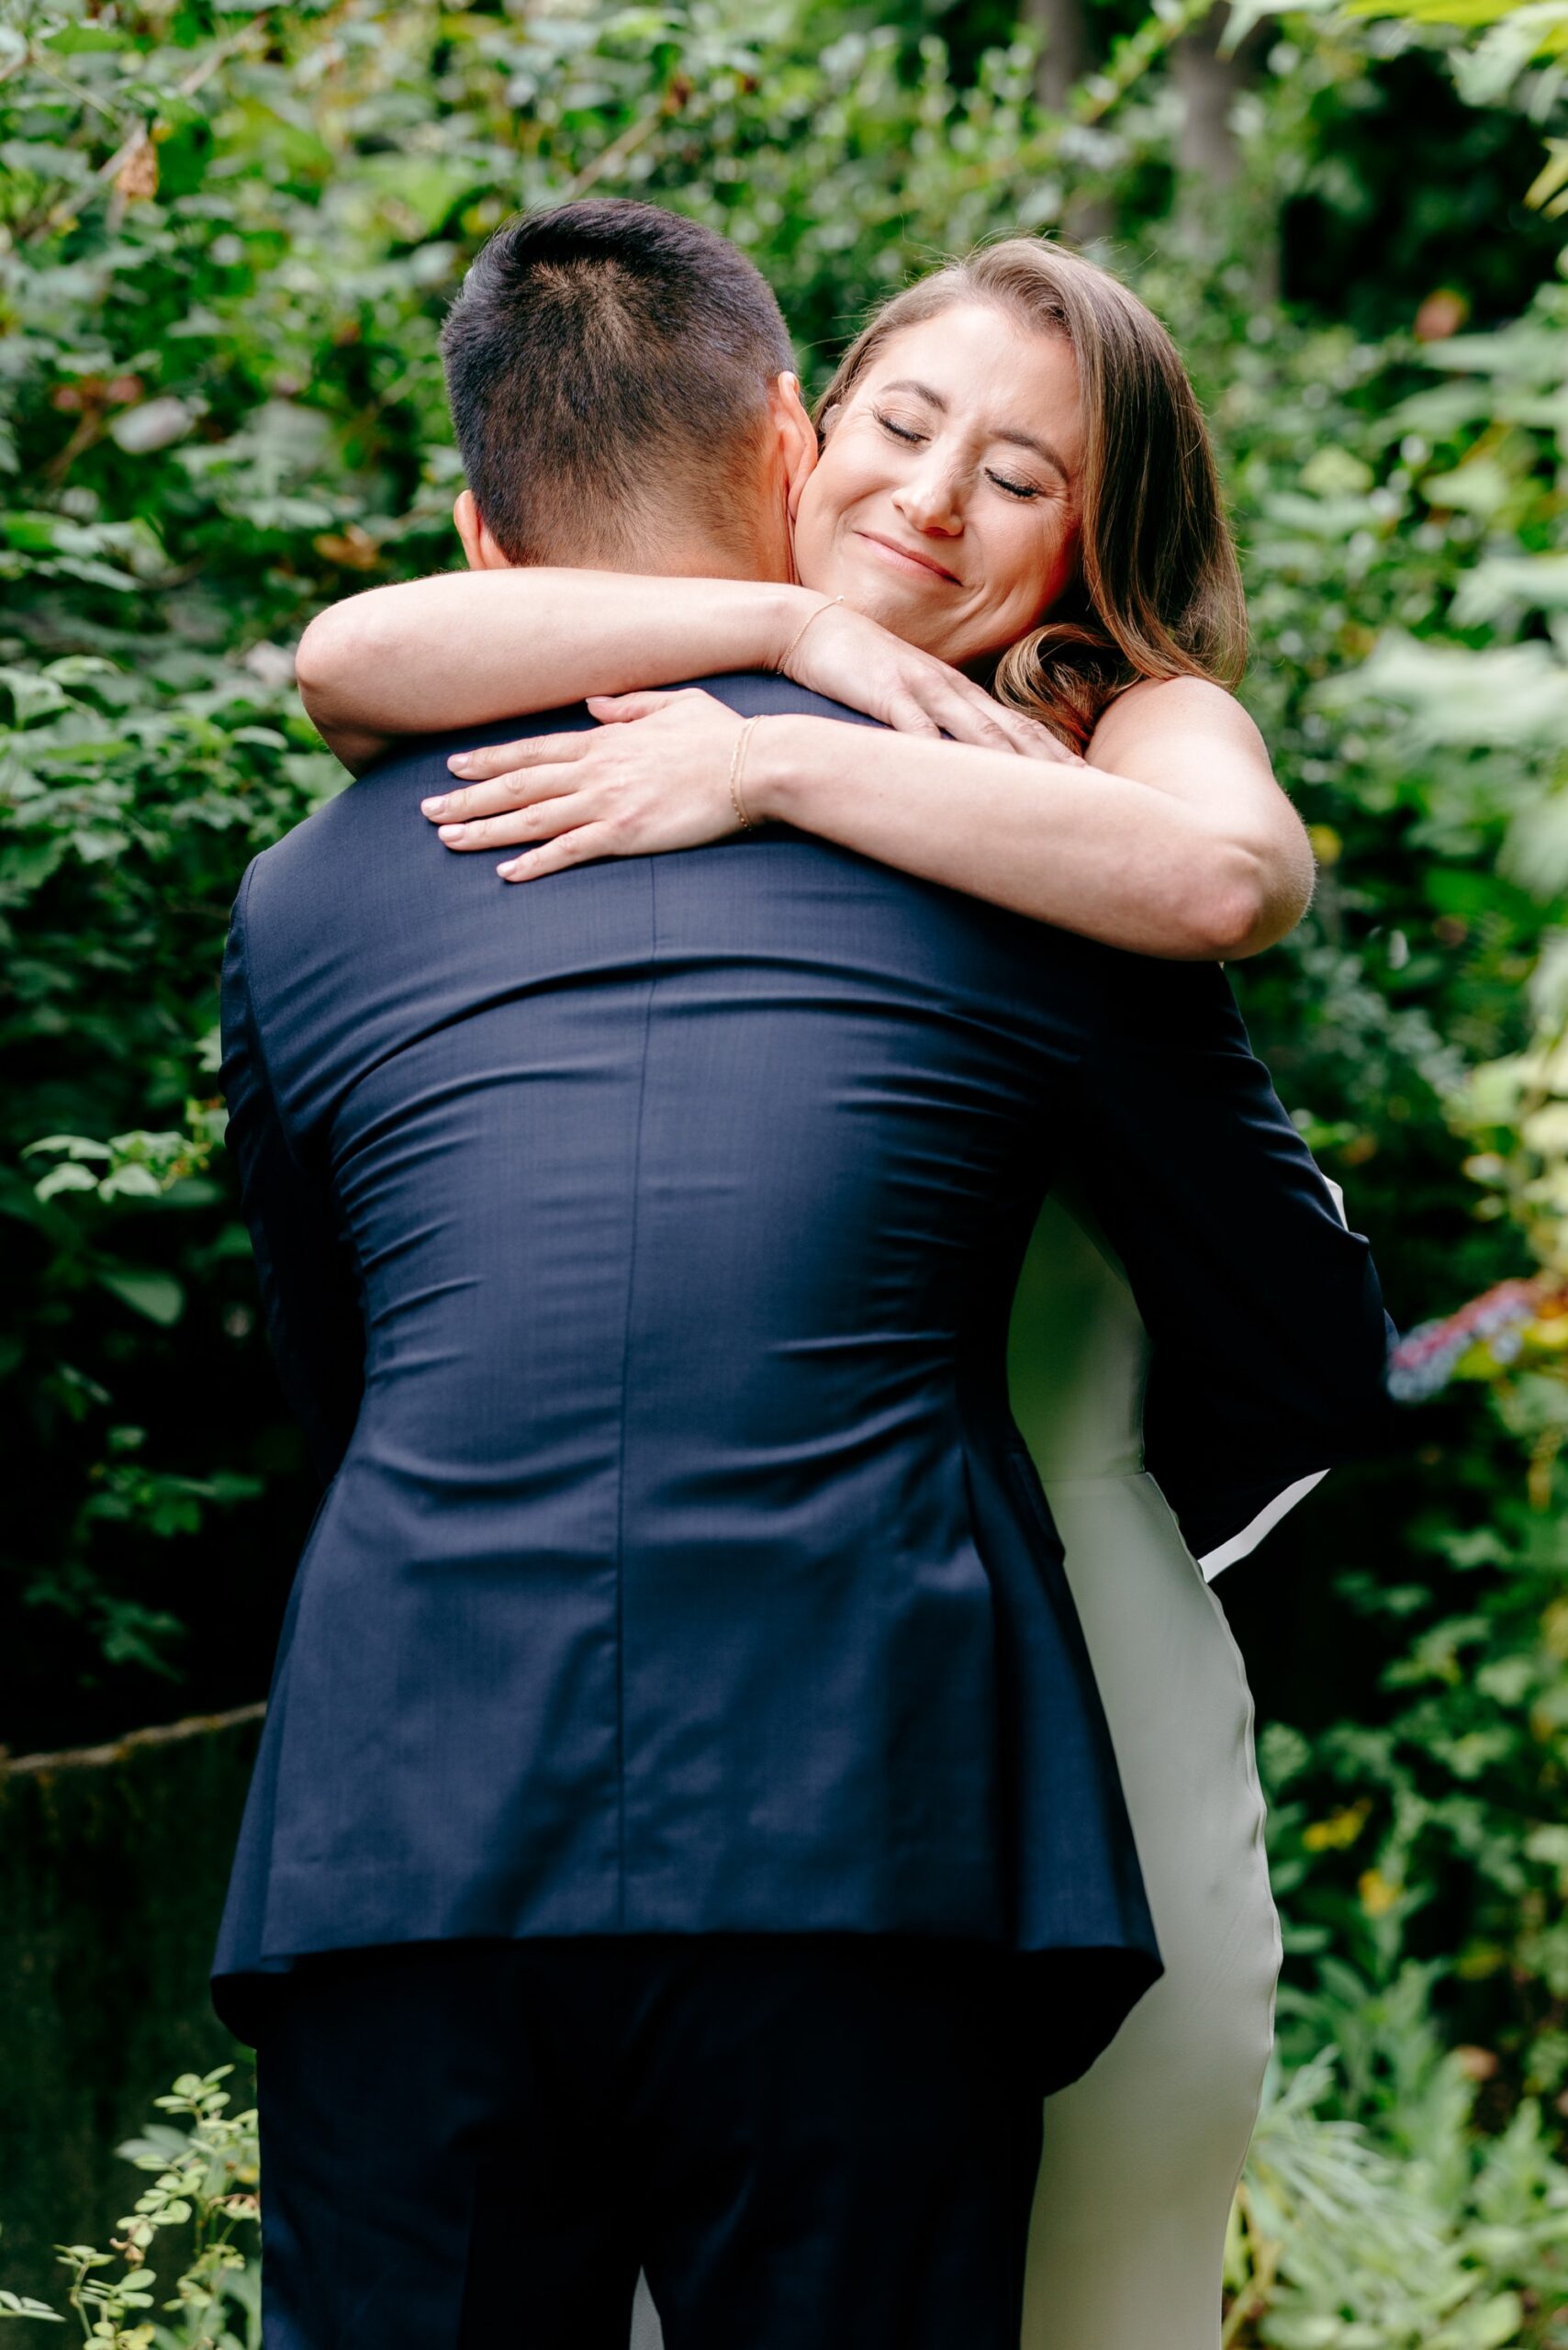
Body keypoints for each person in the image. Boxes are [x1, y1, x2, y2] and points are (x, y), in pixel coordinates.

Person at [219, 201, 1398, 2350]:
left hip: (990, 1663)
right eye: (902, 422)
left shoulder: (1095, 767)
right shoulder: (579, 726)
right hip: (789, 1760)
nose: (931, 500)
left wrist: (775, 749)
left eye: (1022, 474)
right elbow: (336, 657)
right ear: (797, 429)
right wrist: (765, 649)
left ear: (1094, 543)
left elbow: (1230, 904)